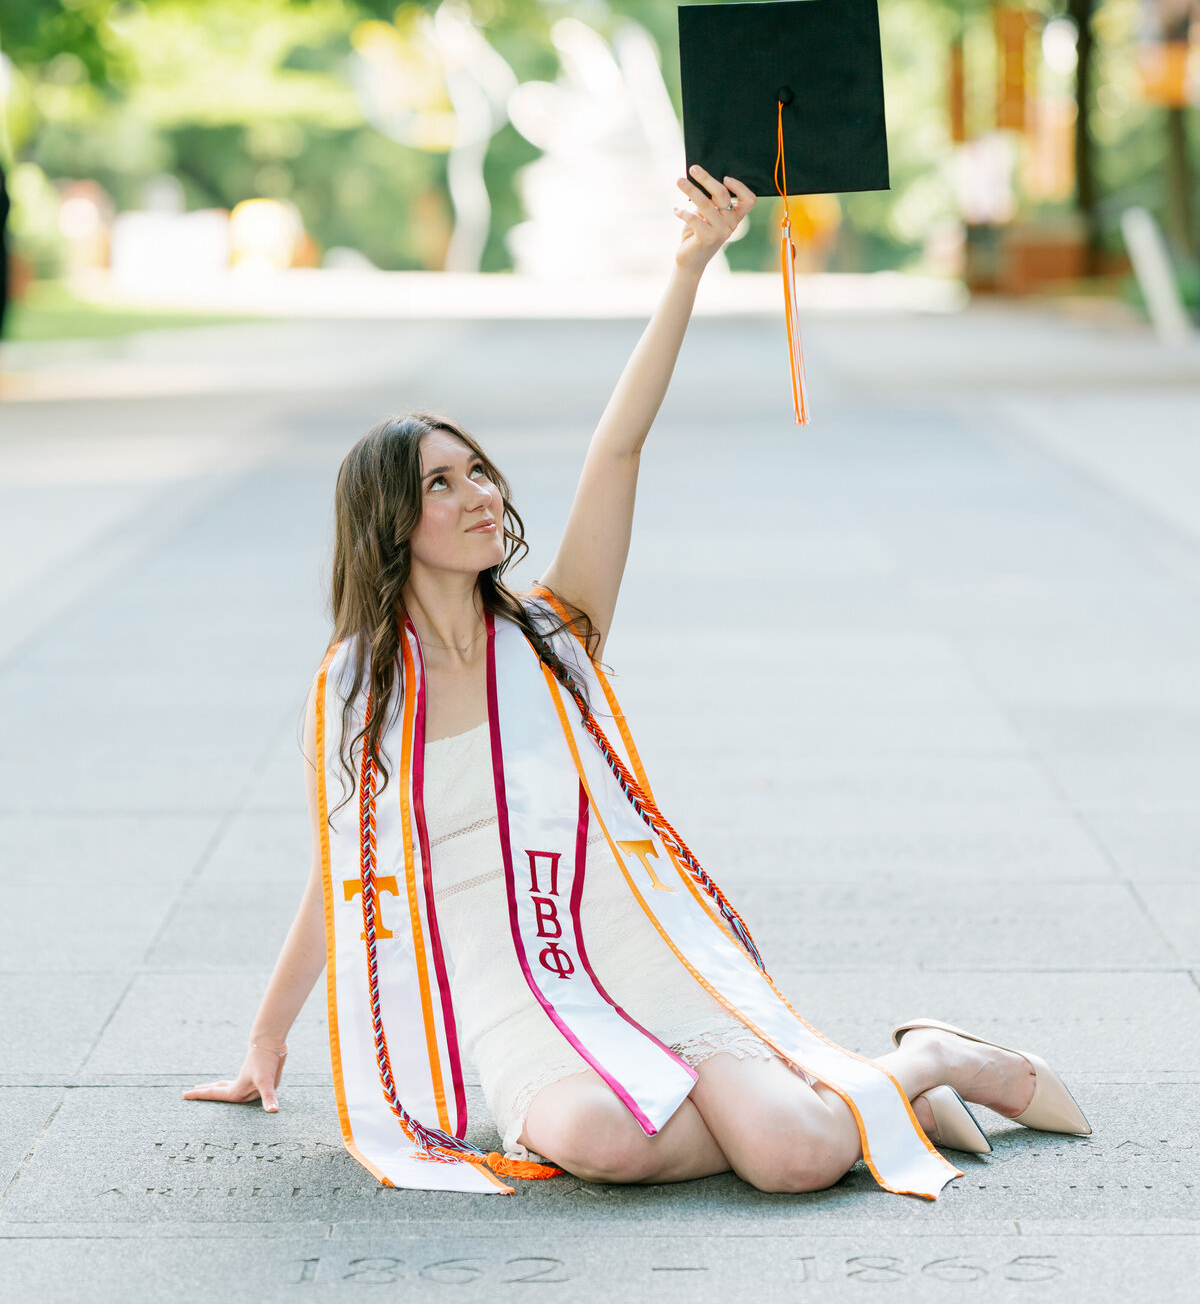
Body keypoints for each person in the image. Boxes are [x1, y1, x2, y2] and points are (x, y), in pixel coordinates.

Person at [185, 166, 1088, 1196]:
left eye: (477, 469)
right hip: (519, 992)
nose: (478, 492)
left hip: (630, 945)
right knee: (609, 1142)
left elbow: (618, 445)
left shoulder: (553, 637)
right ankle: (859, 1096)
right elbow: (337, 875)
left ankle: (928, 1058)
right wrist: (266, 1040)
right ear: (390, 523)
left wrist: (691, 265)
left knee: (789, 1160)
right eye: (441, 482)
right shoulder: (357, 692)